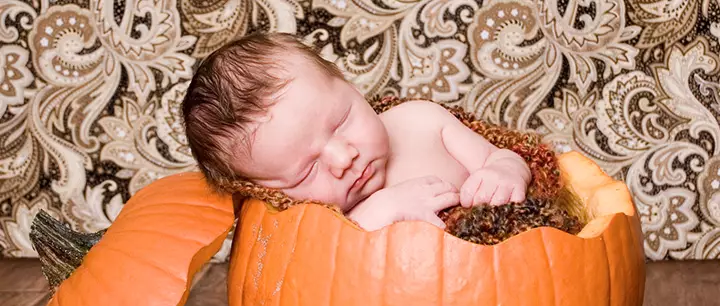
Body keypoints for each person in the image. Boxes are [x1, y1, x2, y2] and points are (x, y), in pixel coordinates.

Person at [181, 32, 531, 231]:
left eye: (341, 122)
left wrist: (504, 170)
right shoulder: (316, 223)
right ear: (265, 190)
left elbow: (498, 154)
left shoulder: (421, 120)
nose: (343, 158)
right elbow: (317, 276)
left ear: (350, 85)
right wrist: (377, 211)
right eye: (307, 170)